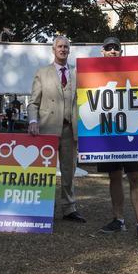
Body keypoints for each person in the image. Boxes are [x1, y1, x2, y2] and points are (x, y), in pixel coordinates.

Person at [96, 37, 138, 241]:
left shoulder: (132, 70)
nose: (112, 51)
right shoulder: (93, 73)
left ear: (120, 52)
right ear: (102, 51)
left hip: (131, 131)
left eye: (116, 48)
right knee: (114, 176)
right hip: (108, 132)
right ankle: (118, 220)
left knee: (135, 176)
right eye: (108, 48)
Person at [27, 35, 85, 223]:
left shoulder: (78, 73)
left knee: (69, 171)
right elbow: (33, 103)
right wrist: (33, 121)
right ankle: (41, 208)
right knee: (44, 172)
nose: (63, 49)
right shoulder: (42, 73)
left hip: (70, 130)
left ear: (69, 50)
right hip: (47, 129)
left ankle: (69, 208)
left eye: (66, 47)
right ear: (53, 49)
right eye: (59, 46)